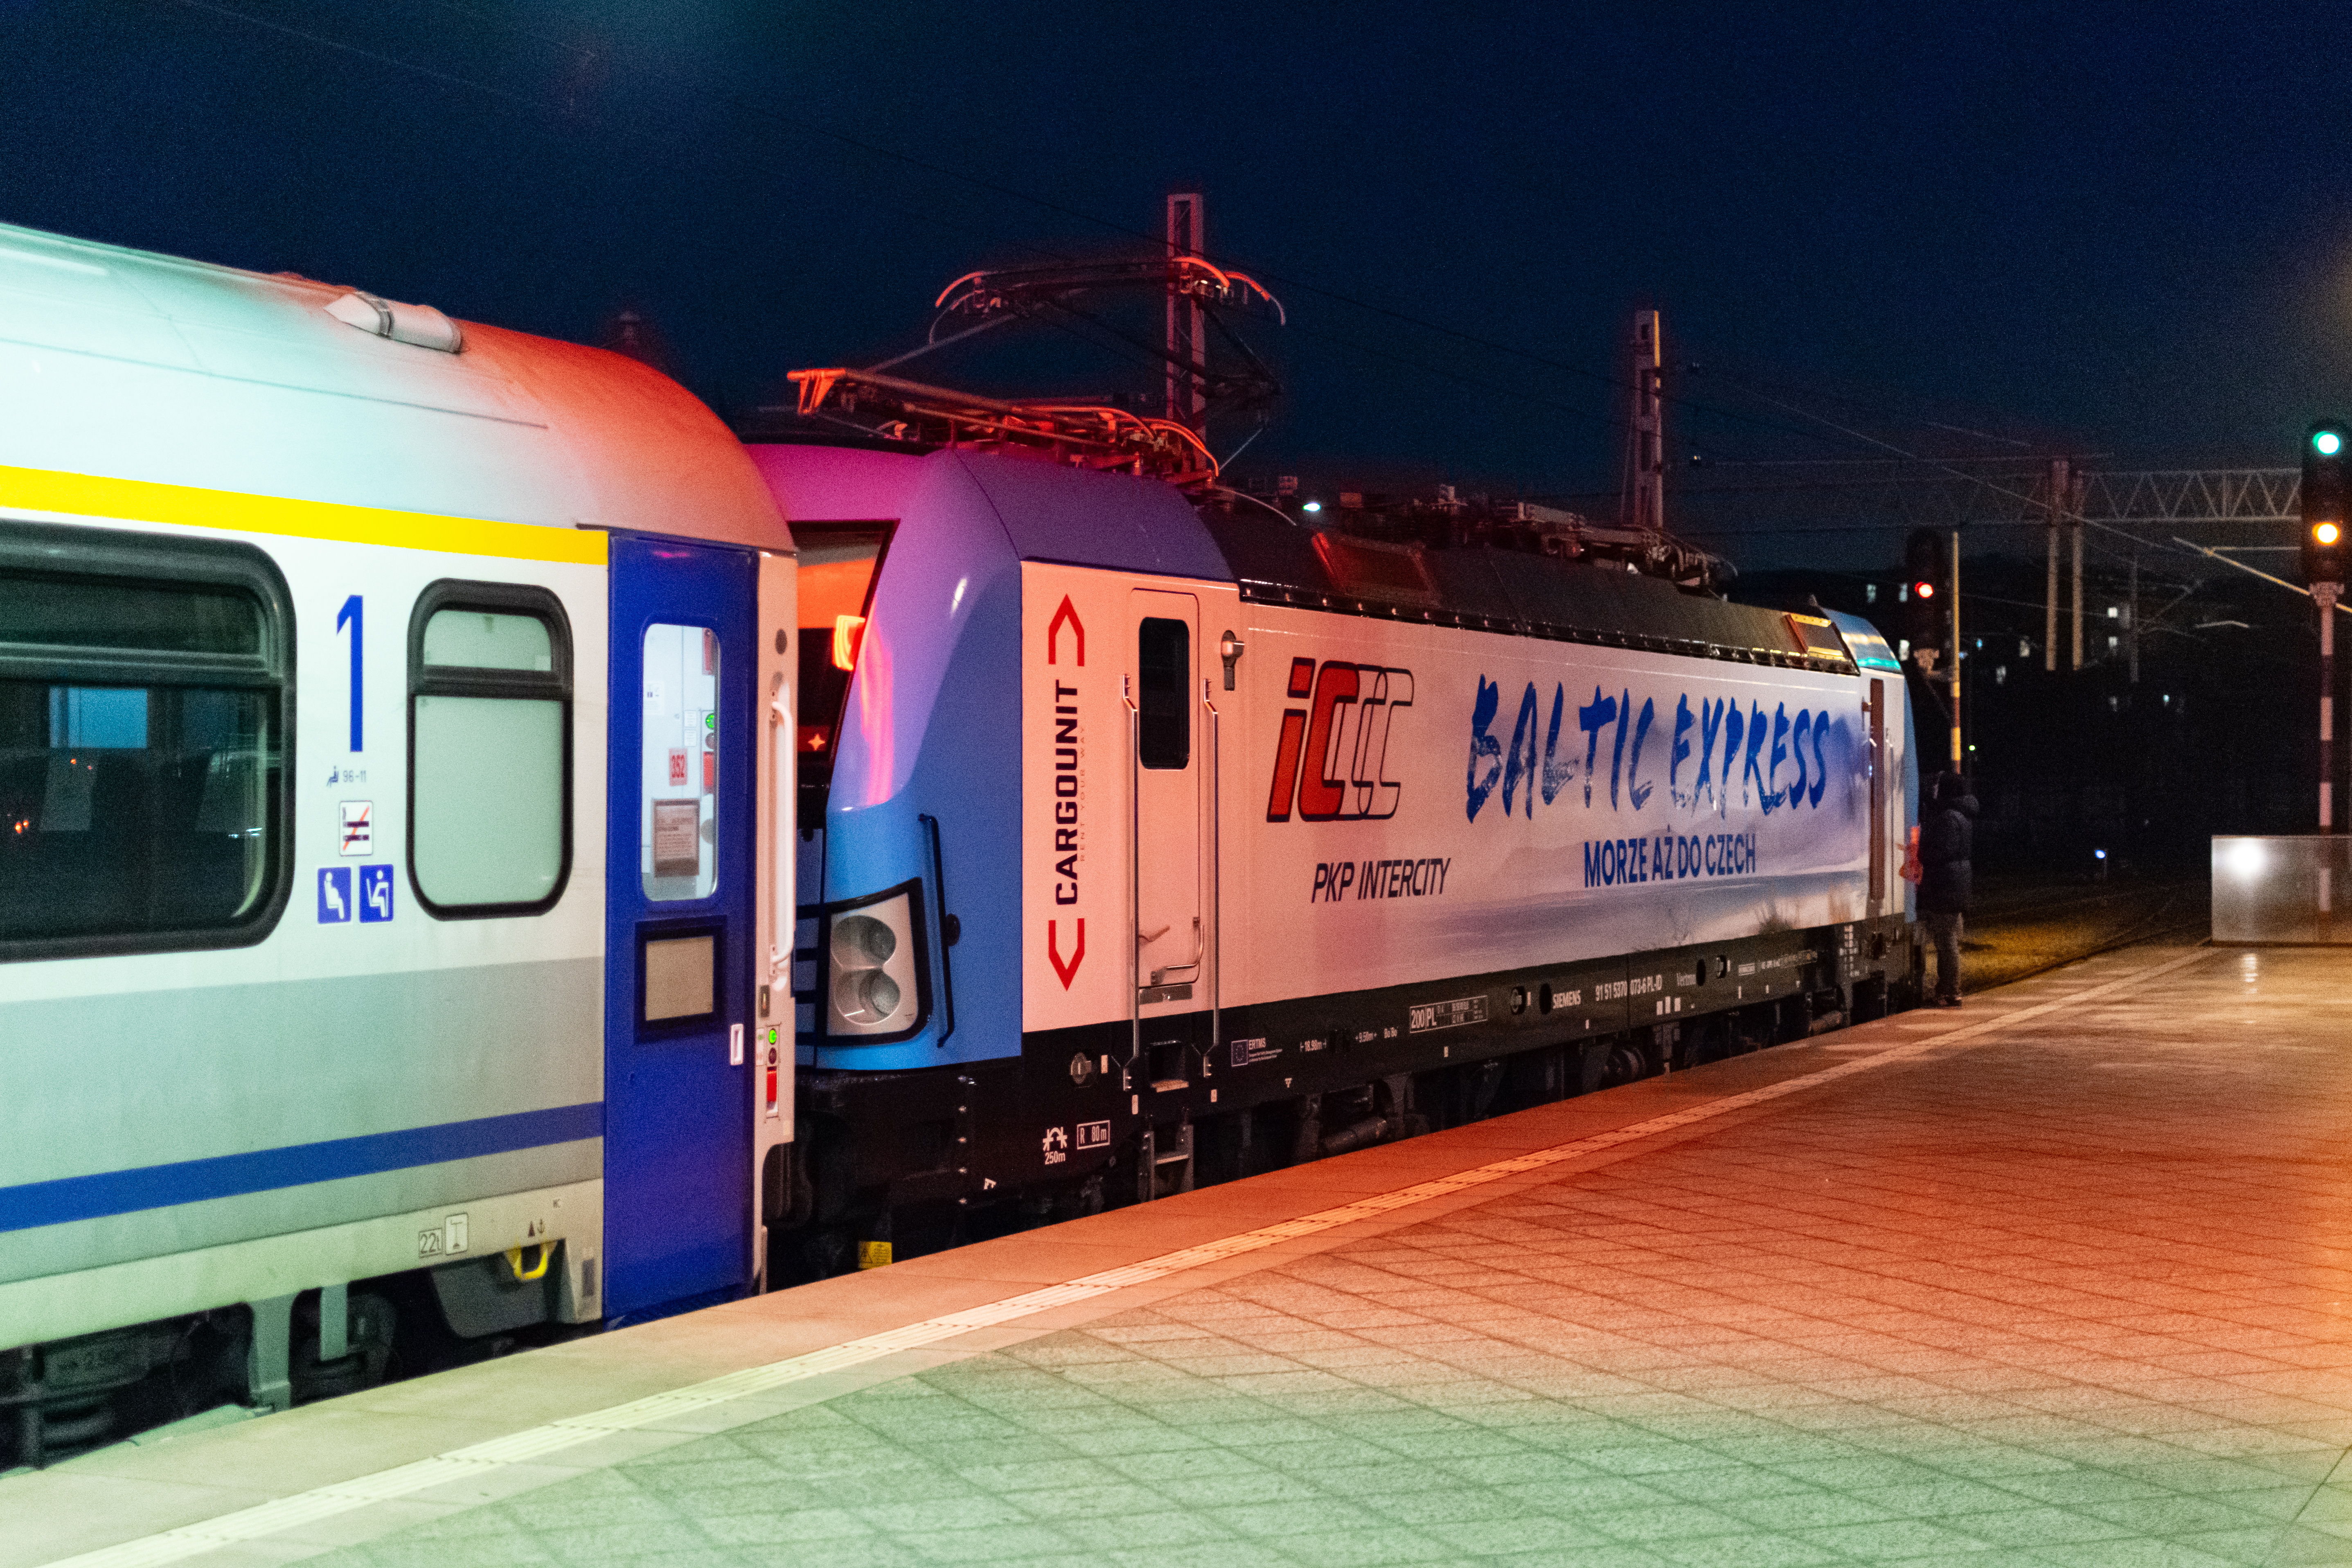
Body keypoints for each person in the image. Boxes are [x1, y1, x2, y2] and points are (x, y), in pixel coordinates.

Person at [1917, 771, 1976, 1006]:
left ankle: (1951, 990)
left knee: (1946, 941)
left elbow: (1942, 851)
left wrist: (1920, 853)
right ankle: (1949, 989)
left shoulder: (1950, 818)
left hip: (1945, 886)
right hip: (1955, 884)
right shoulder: (1962, 815)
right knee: (1947, 940)